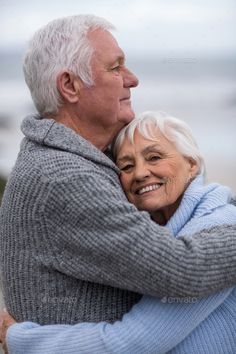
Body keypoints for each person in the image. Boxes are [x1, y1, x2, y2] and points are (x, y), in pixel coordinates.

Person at [1, 12, 236, 343]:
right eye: (115, 67)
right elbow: (181, 269)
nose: (133, 79)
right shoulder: (64, 178)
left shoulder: (73, 159)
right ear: (69, 86)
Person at [1, 111, 236, 354]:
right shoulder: (155, 234)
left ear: (192, 164)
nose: (141, 173)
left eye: (154, 157)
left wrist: (21, 339)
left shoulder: (217, 225)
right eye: (127, 165)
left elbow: (128, 343)